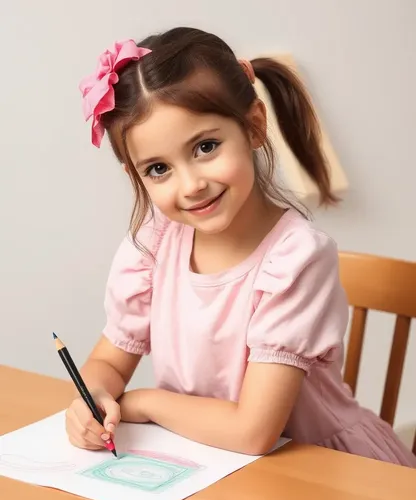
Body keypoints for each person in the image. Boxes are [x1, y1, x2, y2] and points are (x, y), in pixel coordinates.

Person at [66, 27, 415, 467]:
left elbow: (254, 432)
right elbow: (108, 364)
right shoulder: (154, 244)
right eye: (158, 169)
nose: (191, 185)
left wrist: (141, 404)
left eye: (205, 147)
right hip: (215, 464)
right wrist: (93, 396)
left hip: (320, 469)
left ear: (253, 126)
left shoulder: (295, 260)